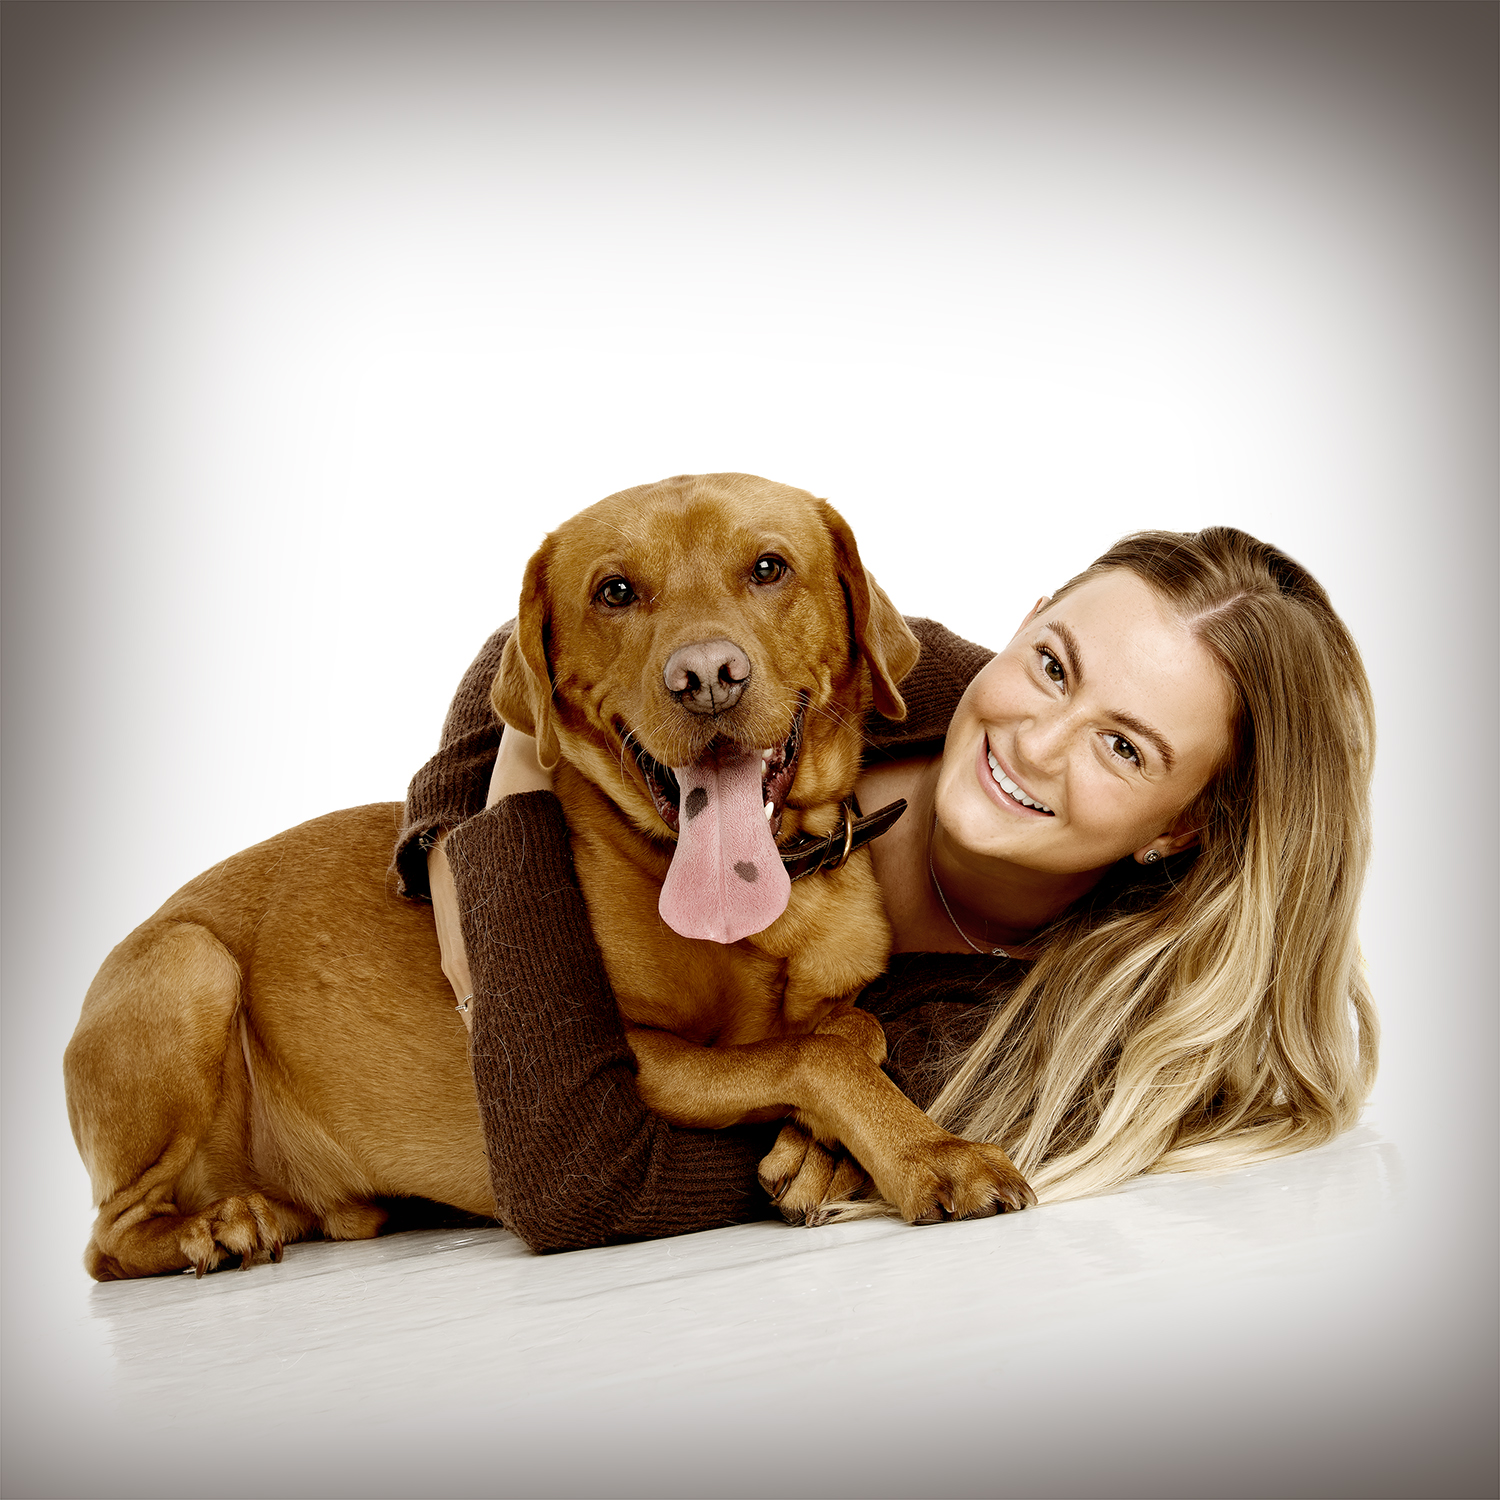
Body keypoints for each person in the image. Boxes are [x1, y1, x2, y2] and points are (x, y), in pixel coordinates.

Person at [395, 524, 1377, 1252]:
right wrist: (449, 844)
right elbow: (547, 629)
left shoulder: (1039, 1038)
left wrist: (837, 1097)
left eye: (1123, 748)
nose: (1035, 742)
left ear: (1180, 826)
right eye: (1051, 665)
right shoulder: (907, 677)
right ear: (1024, 623)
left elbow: (583, 1174)